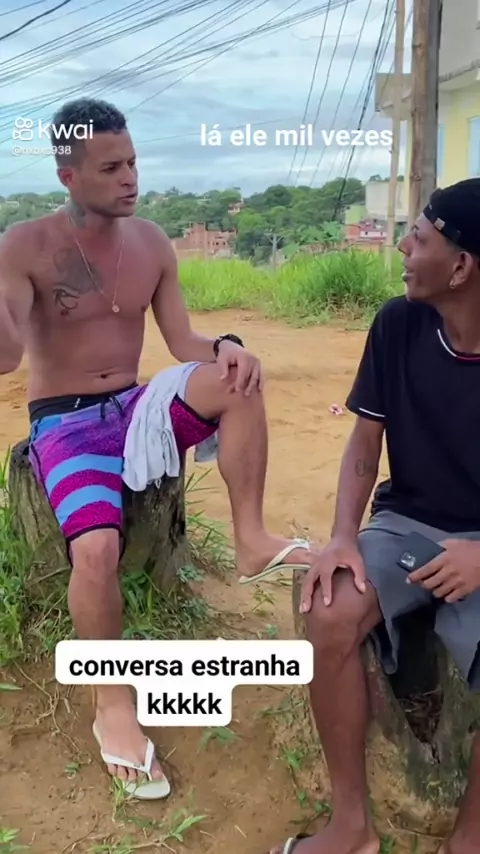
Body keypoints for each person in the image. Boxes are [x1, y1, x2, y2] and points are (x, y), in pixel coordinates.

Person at [0, 97, 314, 799]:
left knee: (237, 380)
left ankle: (252, 539)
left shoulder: (151, 243)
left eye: (133, 162)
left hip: (137, 406)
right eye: (111, 167)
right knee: (95, 551)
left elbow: (181, 342)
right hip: (65, 423)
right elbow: (6, 356)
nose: (130, 178)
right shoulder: (24, 245)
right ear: (68, 175)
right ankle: (111, 702)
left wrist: (227, 347)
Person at [270, 177, 480, 854]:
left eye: (418, 238)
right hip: (407, 525)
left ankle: (468, 839)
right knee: (329, 609)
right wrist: (341, 538)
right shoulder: (398, 324)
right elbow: (365, 443)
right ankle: (351, 827)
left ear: (461, 266)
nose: (402, 249)